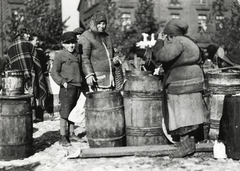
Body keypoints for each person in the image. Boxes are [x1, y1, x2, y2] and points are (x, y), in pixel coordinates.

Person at [152, 19, 208, 158]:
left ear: (171, 34)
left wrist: (159, 42)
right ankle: (189, 144)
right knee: (191, 114)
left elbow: (162, 56)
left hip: (182, 83)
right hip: (194, 80)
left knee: (182, 114)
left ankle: (186, 146)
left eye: (167, 35)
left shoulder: (178, 41)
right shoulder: (190, 41)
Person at [51, 31, 83, 147]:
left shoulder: (78, 55)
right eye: (68, 43)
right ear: (63, 44)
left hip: (78, 87)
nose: (71, 45)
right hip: (67, 88)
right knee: (65, 111)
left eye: (73, 43)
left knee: (73, 111)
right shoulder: (60, 55)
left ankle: (72, 133)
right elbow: (54, 72)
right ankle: (63, 136)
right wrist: (63, 82)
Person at [8, 26, 47, 118]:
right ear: (22, 34)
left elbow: (10, 64)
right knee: (31, 95)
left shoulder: (10, 48)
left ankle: (22, 115)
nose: (29, 35)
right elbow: (36, 61)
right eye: (27, 33)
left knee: (21, 96)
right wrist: (38, 73)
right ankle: (33, 117)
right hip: (31, 75)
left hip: (17, 78)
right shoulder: (29, 45)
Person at [78, 12, 120, 91]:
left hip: (110, 77)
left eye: (103, 23)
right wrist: (89, 74)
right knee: (98, 101)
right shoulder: (86, 36)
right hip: (96, 78)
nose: (101, 26)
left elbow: (112, 53)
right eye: (99, 24)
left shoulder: (107, 37)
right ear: (93, 23)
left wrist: (115, 59)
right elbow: (84, 58)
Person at [29, 33, 49, 121]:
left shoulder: (40, 51)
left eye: (38, 40)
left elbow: (45, 63)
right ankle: (33, 116)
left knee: (40, 94)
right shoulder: (28, 51)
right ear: (30, 41)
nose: (37, 42)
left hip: (40, 75)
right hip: (32, 76)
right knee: (33, 95)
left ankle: (39, 116)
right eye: (35, 40)